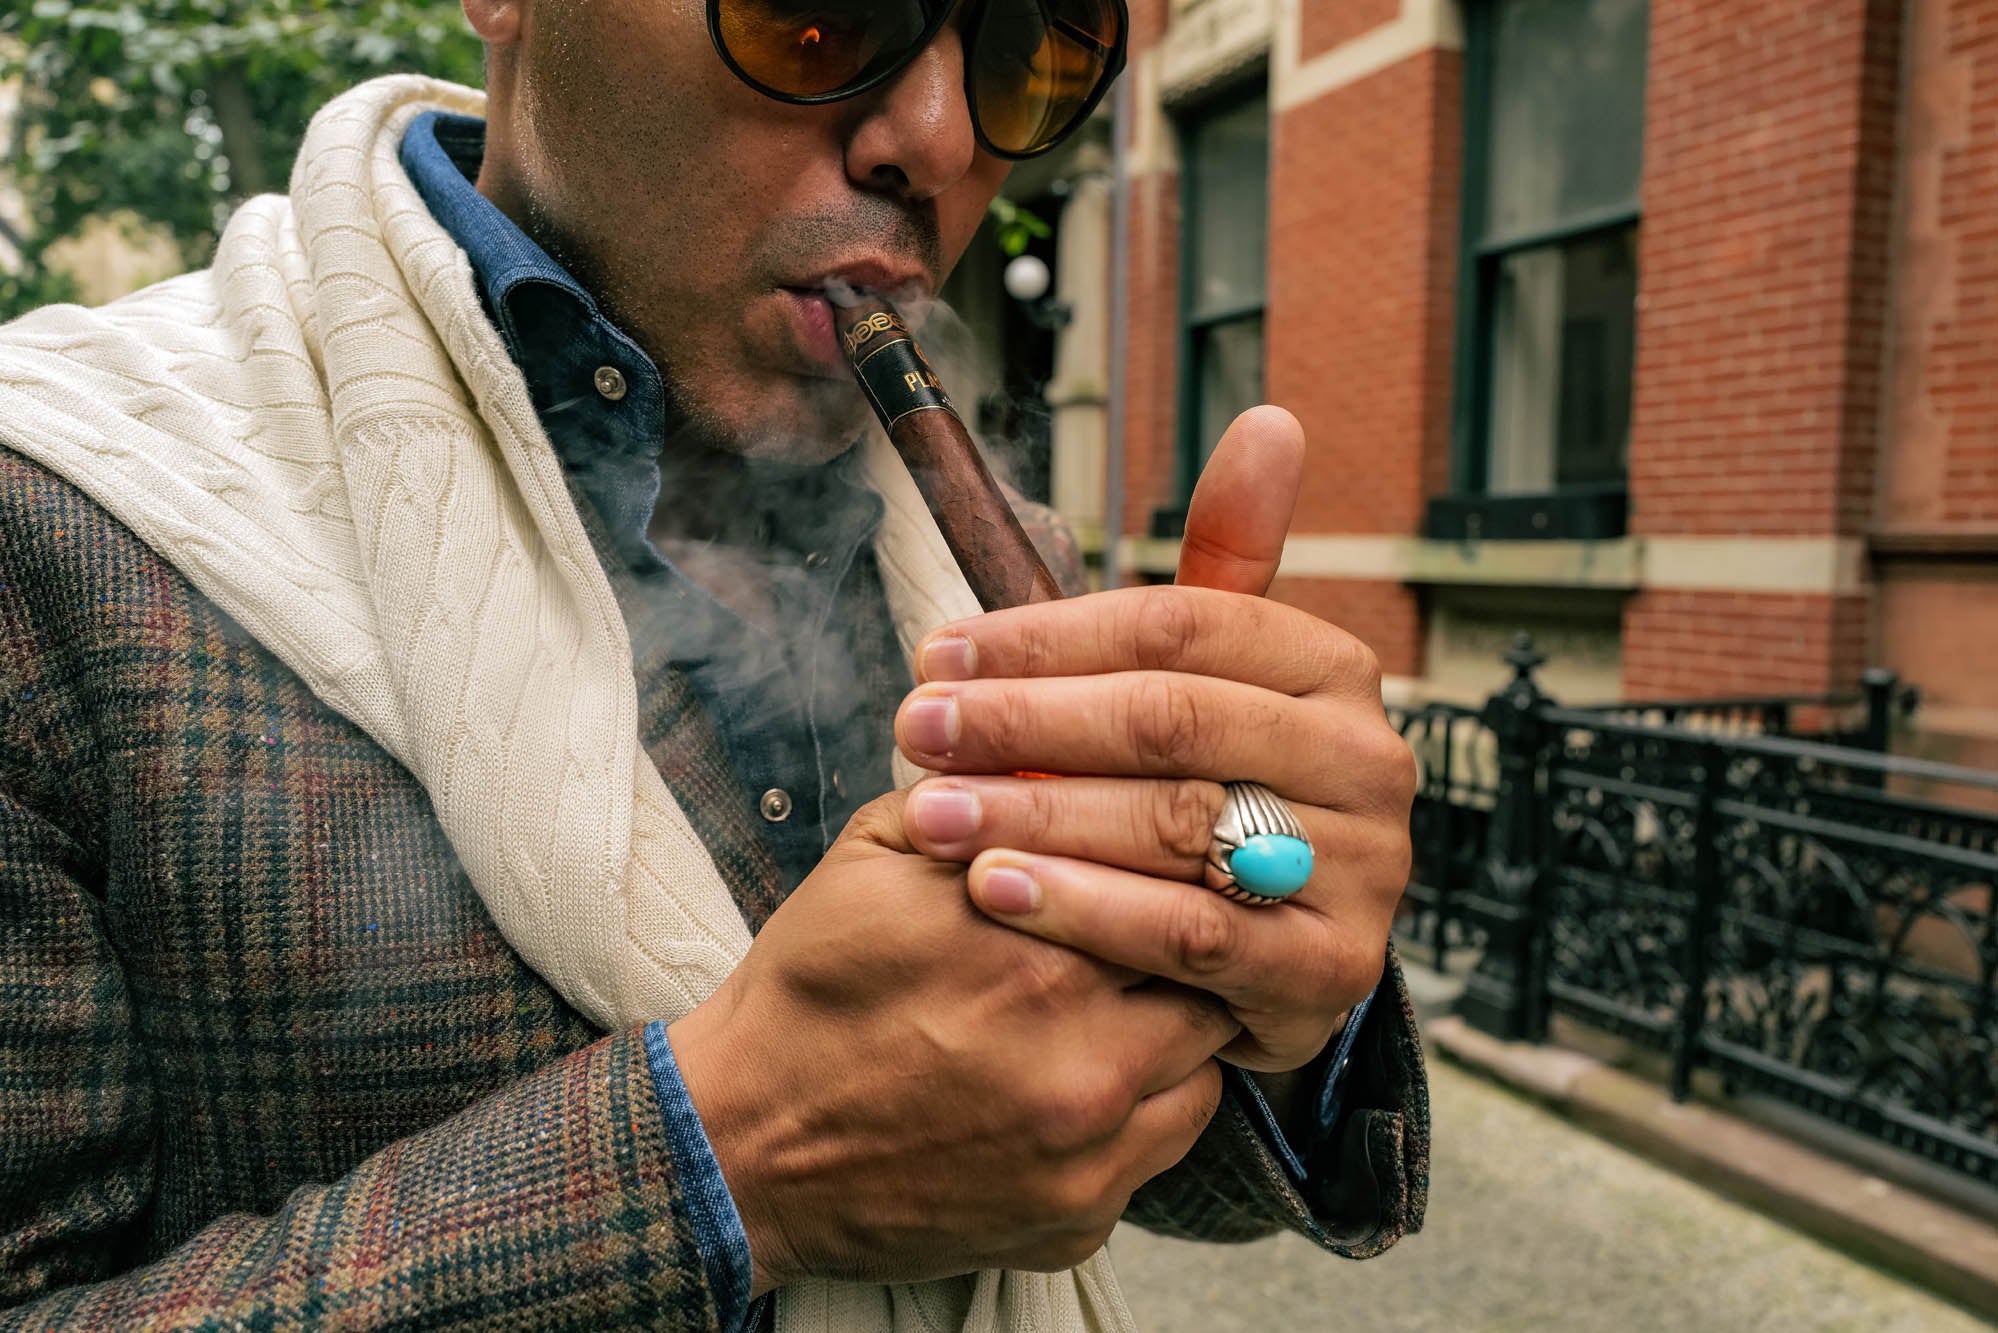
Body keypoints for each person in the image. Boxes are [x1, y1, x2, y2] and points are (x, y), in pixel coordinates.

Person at [0, 1, 1427, 1328]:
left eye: (1024, 53)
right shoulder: (51, 522)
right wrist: (723, 1170)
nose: (935, 139)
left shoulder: (997, 554)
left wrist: (1272, 963)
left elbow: (1143, 1170)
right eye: (823, 12)